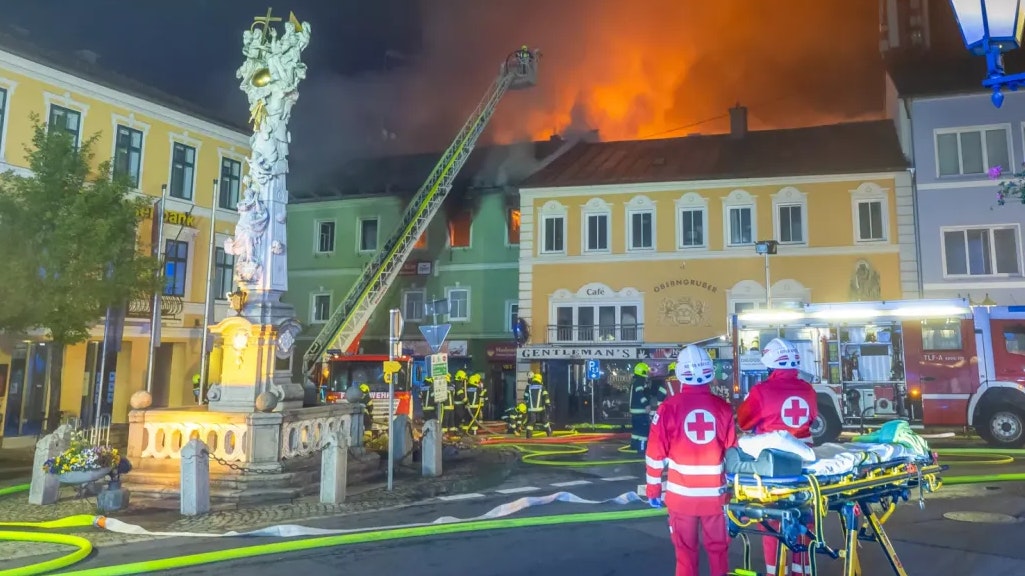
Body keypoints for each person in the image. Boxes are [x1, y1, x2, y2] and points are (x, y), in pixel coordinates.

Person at [646, 345, 736, 576]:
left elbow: (655, 454)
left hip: (681, 499)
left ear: (680, 373)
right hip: (715, 498)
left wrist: (653, 490)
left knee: (685, 552)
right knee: (718, 551)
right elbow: (733, 454)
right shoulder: (723, 408)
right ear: (710, 371)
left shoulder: (667, 409)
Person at [737, 337, 819, 576]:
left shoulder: (761, 391)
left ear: (770, 365)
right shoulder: (808, 389)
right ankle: (802, 572)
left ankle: (776, 573)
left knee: (772, 522)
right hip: (805, 467)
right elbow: (811, 419)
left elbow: (744, 422)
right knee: (804, 521)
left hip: (773, 469)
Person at [629, 362, 652, 454]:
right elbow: (640, 394)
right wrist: (646, 404)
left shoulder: (636, 381)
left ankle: (634, 446)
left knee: (636, 431)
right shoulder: (640, 381)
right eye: (646, 371)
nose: (648, 373)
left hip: (635, 412)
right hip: (640, 411)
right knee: (643, 432)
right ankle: (642, 449)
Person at [524, 373, 552, 438]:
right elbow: (546, 397)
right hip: (541, 409)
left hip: (531, 409)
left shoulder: (528, 387)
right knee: (545, 421)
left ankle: (528, 437)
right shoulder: (542, 387)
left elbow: (525, 397)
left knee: (531, 422)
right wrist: (548, 405)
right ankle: (549, 433)